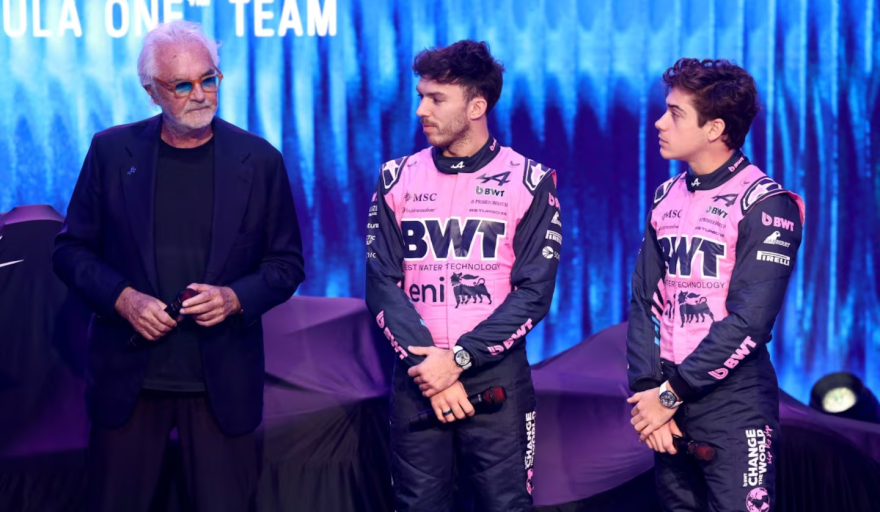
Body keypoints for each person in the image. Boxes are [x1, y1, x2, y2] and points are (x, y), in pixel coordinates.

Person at [52, 21, 305, 512]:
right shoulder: (110, 152)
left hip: (222, 385)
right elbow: (70, 251)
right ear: (152, 92)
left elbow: (286, 264)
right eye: (182, 85)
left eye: (208, 79)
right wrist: (123, 299)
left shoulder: (260, 160)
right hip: (128, 382)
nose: (201, 95)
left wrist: (234, 299)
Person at [365, 39, 561, 512]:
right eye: (420, 96)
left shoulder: (530, 181)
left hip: (497, 376)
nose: (420, 110)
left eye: (436, 99)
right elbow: (381, 283)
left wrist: (457, 359)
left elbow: (534, 293)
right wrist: (432, 367)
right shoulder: (395, 177)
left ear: (476, 106)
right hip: (418, 374)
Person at [626, 58, 804, 512]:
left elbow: (750, 321)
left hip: (734, 403)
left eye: (675, 113)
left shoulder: (766, 203)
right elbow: (644, 300)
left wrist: (670, 394)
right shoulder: (665, 196)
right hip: (667, 399)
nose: (659, 122)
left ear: (714, 128)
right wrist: (649, 392)